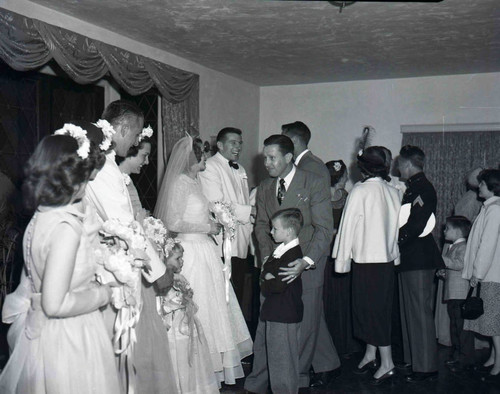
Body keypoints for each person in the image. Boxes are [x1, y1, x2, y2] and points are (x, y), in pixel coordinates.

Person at [0, 133, 121, 393]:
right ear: (73, 180)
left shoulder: (39, 217)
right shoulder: (66, 227)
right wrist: (104, 294)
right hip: (68, 337)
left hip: (41, 333)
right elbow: (55, 303)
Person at [85, 101, 175, 393]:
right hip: (106, 269)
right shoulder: (104, 167)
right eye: (135, 134)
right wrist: (159, 271)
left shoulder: (107, 163)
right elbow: (125, 225)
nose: (137, 141)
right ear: (122, 128)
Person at [154, 134, 252, 385]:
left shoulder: (193, 181)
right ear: (194, 157)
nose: (206, 157)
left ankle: (212, 371)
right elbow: (172, 222)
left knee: (215, 307)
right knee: (199, 307)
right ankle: (196, 368)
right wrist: (207, 227)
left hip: (205, 251)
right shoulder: (179, 183)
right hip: (191, 250)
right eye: (203, 154)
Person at [248, 134, 338, 389]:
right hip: (274, 270)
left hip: (306, 268)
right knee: (267, 328)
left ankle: (295, 383)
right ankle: (258, 383)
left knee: (304, 330)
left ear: (288, 157)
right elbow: (261, 226)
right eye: (265, 157)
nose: (266, 162)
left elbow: (323, 228)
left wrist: (306, 261)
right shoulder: (266, 187)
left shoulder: (314, 182)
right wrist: (267, 257)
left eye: (272, 157)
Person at [113, 127, 178, 394]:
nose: (147, 161)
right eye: (144, 155)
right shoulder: (116, 184)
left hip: (141, 264)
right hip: (129, 267)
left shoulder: (127, 183)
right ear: (129, 152)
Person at [333, 146, 401, 385]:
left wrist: (341, 261)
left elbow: (346, 229)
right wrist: (395, 255)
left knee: (372, 311)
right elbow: (395, 232)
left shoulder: (360, 191)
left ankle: (387, 363)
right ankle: (371, 354)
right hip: (385, 262)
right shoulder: (393, 192)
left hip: (367, 263)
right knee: (373, 309)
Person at [281, 122, 341, 387]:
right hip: (302, 249)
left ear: (293, 142)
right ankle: (328, 364)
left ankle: (302, 374)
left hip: (310, 251)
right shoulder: (305, 165)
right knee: (312, 313)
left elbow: (311, 219)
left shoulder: (311, 168)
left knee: (307, 314)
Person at [396, 145, 445, 383]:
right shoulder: (414, 188)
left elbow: (416, 225)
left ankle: (425, 367)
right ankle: (414, 361)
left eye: (399, 164)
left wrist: (394, 242)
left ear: (407, 165)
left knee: (419, 313)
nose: (397, 168)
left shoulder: (422, 188)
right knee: (410, 312)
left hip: (418, 258)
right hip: (411, 258)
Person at [246, 208, 304, 393]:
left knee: (282, 360)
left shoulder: (293, 254)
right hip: (276, 311)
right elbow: (266, 272)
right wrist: (267, 276)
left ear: (288, 231)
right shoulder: (282, 250)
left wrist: (268, 278)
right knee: (278, 357)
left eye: (275, 229)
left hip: (283, 314)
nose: (271, 232)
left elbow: (278, 285)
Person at [198, 127, 253, 312]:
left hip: (241, 241)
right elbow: (217, 204)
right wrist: (252, 211)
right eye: (233, 142)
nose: (238, 147)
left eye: (240, 143)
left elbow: (241, 200)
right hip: (223, 242)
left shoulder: (241, 168)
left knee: (237, 294)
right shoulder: (210, 166)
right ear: (220, 145)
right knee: (224, 297)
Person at [157, 239, 219, 394]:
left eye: (181, 257)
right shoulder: (162, 282)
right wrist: (180, 301)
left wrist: (188, 297)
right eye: (177, 258)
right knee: (175, 358)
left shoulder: (179, 277)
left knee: (188, 359)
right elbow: (163, 305)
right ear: (164, 259)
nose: (182, 261)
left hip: (184, 325)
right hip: (172, 328)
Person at [462, 169, 500, 384]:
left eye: (482, 183)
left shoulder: (494, 210)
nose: (479, 186)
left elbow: (487, 246)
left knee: (494, 322)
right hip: (490, 273)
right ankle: (493, 357)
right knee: (491, 321)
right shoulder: (490, 208)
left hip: (492, 274)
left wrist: (478, 273)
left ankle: (498, 363)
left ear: (491, 186)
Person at [323, 160, 361, 356]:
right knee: (325, 297)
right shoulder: (319, 196)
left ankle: (342, 342)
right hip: (324, 253)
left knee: (343, 297)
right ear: (342, 177)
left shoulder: (348, 197)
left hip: (343, 252)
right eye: (345, 174)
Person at [436, 216, 474, 373]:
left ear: (458, 232)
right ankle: (458, 356)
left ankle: (465, 359)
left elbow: (460, 264)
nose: (444, 231)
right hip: (454, 294)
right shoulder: (453, 247)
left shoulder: (463, 247)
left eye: (447, 228)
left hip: (461, 294)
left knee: (462, 329)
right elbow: (454, 269)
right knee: (455, 327)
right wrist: (444, 273)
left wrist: (441, 259)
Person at [116, 136, 152, 217]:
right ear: (131, 151)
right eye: (144, 156)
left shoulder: (128, 180)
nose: (147, 162)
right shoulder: (114, 178)